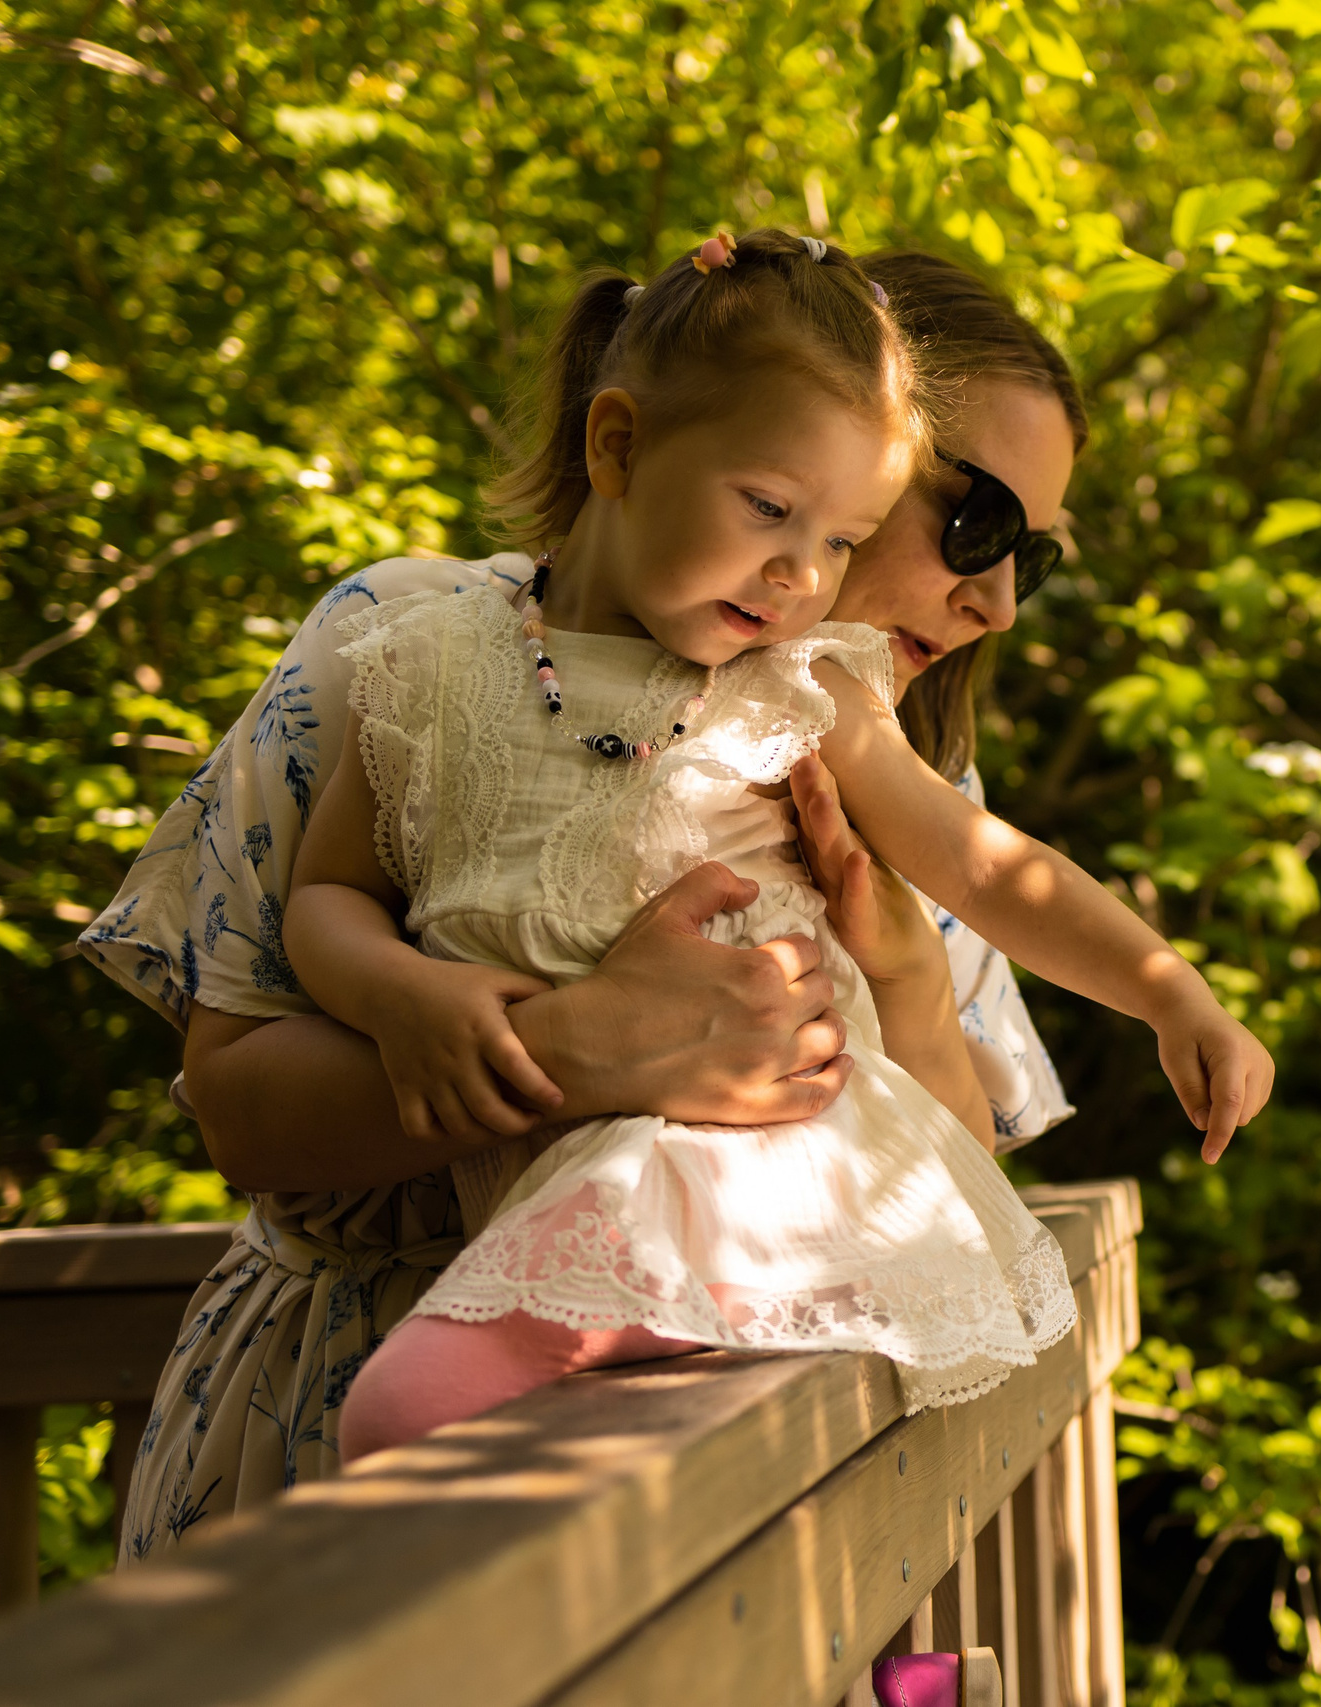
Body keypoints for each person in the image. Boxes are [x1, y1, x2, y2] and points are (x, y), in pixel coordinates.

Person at [77, 245, 1106, 1559]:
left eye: (1037, 557)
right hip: (341, 1449)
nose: (1001, 597)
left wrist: (900, 965)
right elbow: (238, 1104)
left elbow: (957, 1196)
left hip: (708, 1516)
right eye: (973, 520)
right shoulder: (413, 644)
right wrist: (566, 1050)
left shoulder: (901, 781)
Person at [298, 229, 1271, 1451]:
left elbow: (988, 867)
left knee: (405, 1415)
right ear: (618, 444)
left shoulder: (804, 690)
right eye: (771, 509)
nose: (800, 574)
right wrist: (401, 998)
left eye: (842, 542)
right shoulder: (426, 665)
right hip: (558, 1199)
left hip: (740, 1173)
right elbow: (323, 899)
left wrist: (1169, 992)